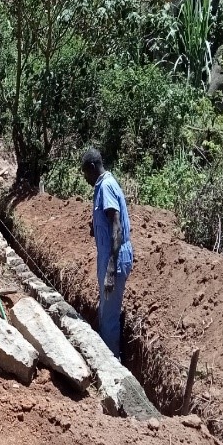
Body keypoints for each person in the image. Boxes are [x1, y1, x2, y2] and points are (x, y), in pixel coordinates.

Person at [81, 148, 134, 360]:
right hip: (109, 255)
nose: (85, 179)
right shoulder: (104, 185)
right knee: (105, 310)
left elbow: (117, 227)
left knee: (110, 317)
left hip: (115, 257)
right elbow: (108, 220)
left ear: (93, 168)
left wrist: (111, 269)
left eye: (85, 174)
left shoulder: (106, 187)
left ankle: (112, 367)